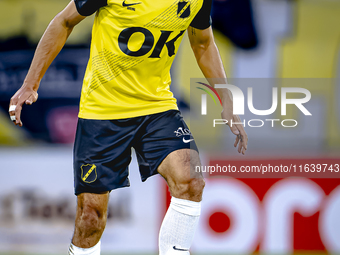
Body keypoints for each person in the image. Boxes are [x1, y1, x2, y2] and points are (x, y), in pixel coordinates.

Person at [9, 0, 248, 254]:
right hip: (102, 111)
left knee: (191, 180)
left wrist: (227, 99)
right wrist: (30, 84)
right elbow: (64, 21)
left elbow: (203, 42)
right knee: (91, 218)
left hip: (157, 107)